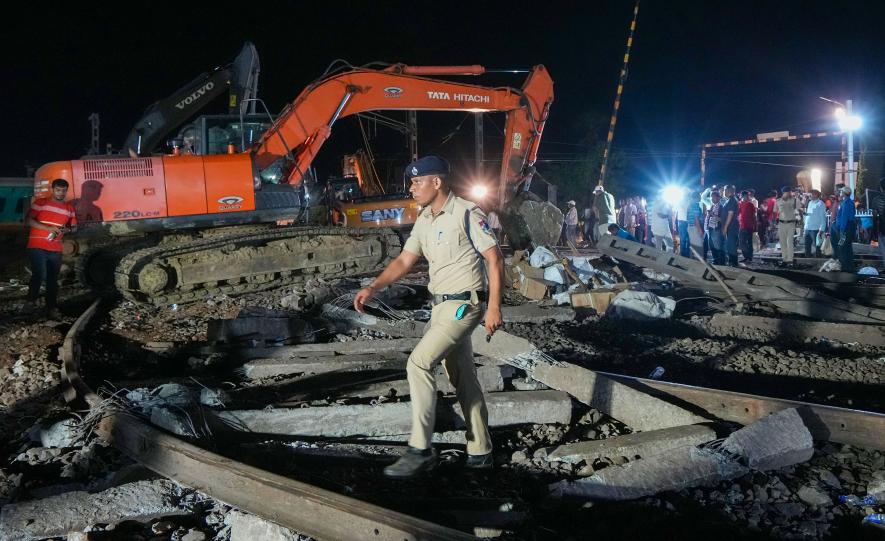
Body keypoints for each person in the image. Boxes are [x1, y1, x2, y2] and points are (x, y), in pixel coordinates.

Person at [353, 155, 502, 478]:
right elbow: (405, 261)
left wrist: (494, 306)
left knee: (418, 363)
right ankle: (481, 452)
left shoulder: (466, 212)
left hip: (465, 305)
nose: (411, 188)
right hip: (440, 307)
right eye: (411, 182)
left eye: (417, 182)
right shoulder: (424, 219)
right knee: (463, 377)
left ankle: (420, 449)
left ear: (437, 182)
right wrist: (374, 287)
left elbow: (494, 258)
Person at [24, 179, 77, 318]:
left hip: (55, 248)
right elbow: (28, 220)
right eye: (58, 190)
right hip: (37, 246)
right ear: (52, 189)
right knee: (39, 274)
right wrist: (48, 228)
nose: (61, 193)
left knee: (52, 279)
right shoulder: (41, 203)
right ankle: (30, 303)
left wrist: (66, 230)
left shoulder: (69, 208)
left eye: (64, 190)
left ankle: (51, 308)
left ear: (66, 190)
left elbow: (74, 227)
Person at [834, 186, 856, 272]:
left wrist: (842, 230)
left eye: (841, 192)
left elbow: (844, 218)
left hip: (845, 228)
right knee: (847, 246)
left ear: (844, 193)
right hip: (849, 227)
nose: (840, 193)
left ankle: (845, 266)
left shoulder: (846, 203)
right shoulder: (849, 202)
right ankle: (849, 266)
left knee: (842, 246)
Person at [776, 186, 798, 267]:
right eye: (787, 192)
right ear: (783, 192)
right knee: (782, 242)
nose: (789, 193)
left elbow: (799, 210)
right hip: (781, 223)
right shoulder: (778, 201)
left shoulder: (795, 200)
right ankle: (784, 259)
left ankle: (790, 260)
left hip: (791, 223)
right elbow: (775, 212)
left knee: (790, 242)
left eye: (790, 192)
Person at [802, 189, 827, 258]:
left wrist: (822, 228)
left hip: (815, 229)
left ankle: (818, 260)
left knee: (817, 246)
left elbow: (823, 217)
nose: (809, 195)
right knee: (807, 245)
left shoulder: (821, 204)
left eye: (811, 194)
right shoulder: (810, 203)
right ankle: (808, 259)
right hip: (808, 228)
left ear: (816, 195)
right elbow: (809, 215)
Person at [720, 185, 740, 266]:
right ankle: (732, 262)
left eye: (724, 190)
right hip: (731, 227)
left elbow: (730, 214)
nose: (723, 192)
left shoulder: (732, 200)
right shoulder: (730, 200)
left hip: (732, 227)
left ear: (728, 191)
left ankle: (734, 264)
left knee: (731, 245)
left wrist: (725, 227)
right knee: (730, 245)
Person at [705, 189, 724, 264]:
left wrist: (712, 214)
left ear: (718, 198)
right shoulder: (712, 206)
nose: (712, 199)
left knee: (718, 246)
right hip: (710, 228)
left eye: (714, 197)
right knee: (712, 246)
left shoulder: (721, 207)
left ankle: (721, 261)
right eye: (711, 198)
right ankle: (715, 260)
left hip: (716, 229)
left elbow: (722, 219)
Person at [737, 190, 756, 263]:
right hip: (742, 225)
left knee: (749, 242)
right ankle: (746, 256)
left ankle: (749, 257)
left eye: (749, 195)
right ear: (743, 196)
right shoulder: (739, 203)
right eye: (747, 195)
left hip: (749, 225)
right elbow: (738, 213)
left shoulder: (751, 204)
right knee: (742, 242)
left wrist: (754, 225)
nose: (748, 197)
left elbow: (754, 215)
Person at [685, 190, 705, 256]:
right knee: (698, 247)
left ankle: (692, 262)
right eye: (699, 196)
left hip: (690, 227)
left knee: (693, 246)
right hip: (695, 228)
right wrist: (700, 230)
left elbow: (688, 218)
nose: (700, 197)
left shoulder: (690, 205)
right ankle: (698, 264)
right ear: (697, 197)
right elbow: (696, 219)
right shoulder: (695, 206)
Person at [674, 191, 691, 257]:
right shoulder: (687, 200)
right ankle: (686, 255)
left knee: (684, 240)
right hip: (684, 222)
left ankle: (685, 255)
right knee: (686, 240)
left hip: (683, 222)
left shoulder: (679, 200)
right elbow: (675, 211)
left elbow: (675, 210)